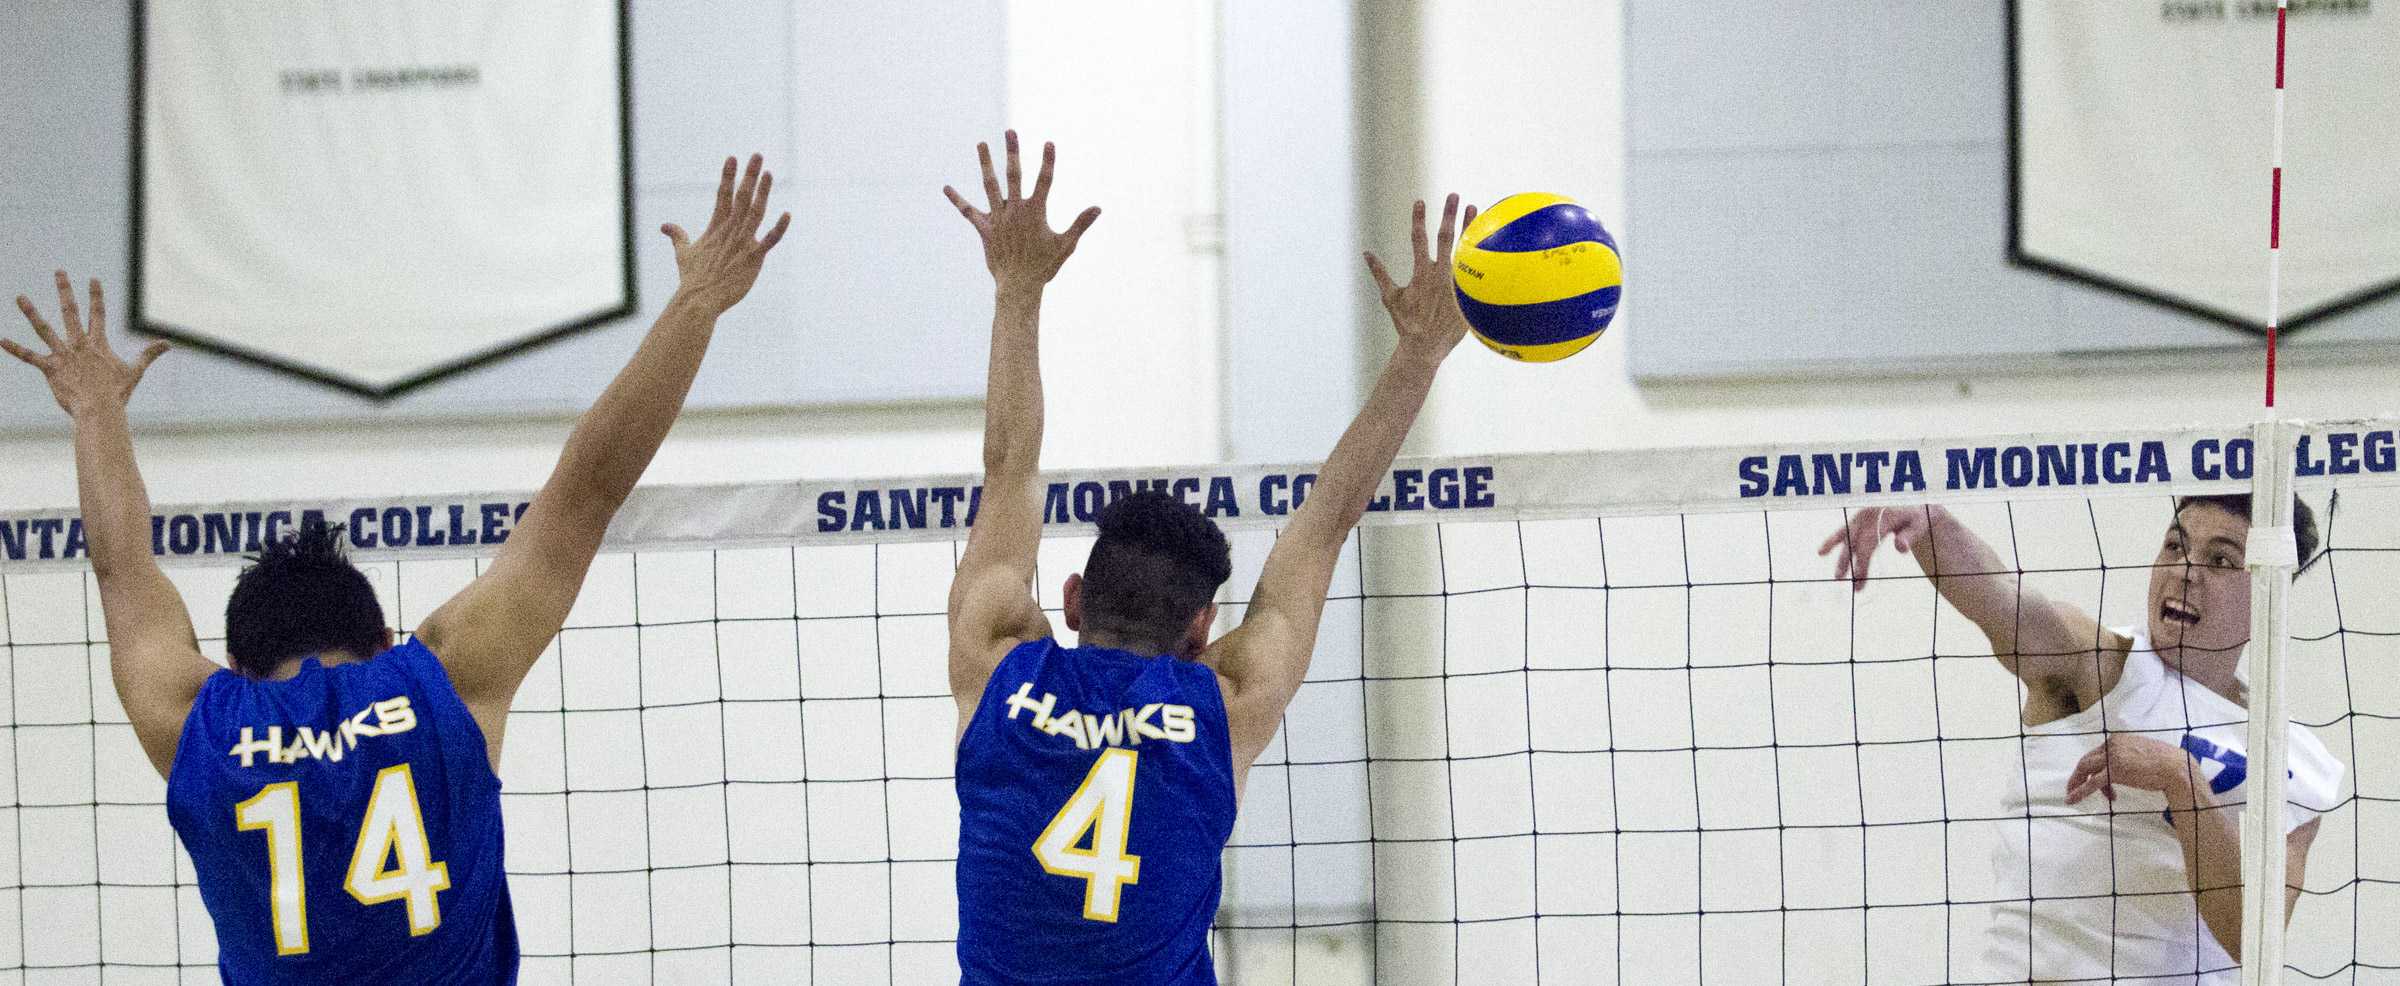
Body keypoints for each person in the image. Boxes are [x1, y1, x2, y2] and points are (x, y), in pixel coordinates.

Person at [3, 154, 788, 982]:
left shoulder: (199, 723)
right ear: (381, 638)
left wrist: (94, 413)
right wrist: (698, 303)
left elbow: (121, 571)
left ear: (235, 665)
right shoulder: (441, 681)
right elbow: (589, 492)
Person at [940, 131, 1474, 984]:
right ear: (1202, 627)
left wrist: (1017, 289)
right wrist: (1419, 355)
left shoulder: (997, 666)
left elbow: (1009, 467)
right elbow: (1326, 523)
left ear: (1073, 598)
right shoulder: (1225, 705)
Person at [1821, 496, 2345, 984]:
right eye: (2175, 546)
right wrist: (1936, 530)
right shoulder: (2105, 665)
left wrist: (2181, 780)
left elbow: (2250, 937)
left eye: (2222, 561)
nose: (2185, 573)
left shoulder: (2300, 761)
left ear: (2270, 591)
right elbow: (2009, 603)